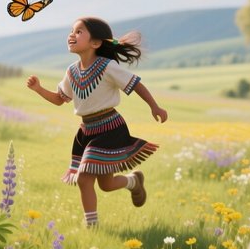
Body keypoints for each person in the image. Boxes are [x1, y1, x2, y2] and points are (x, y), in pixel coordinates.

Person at [26, 17, 167, 227]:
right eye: (72, 31)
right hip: (87, 131)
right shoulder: (71, 72)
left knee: (84, 179)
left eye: (79, 31)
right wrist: (39, 89)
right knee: (107, 184)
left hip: (109, 128)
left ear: (96, 43)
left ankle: (91, 226)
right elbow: (59, 99)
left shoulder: (108, 67)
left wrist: (154, 106)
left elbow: (135, 84)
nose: (72, 35)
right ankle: (133, 181)